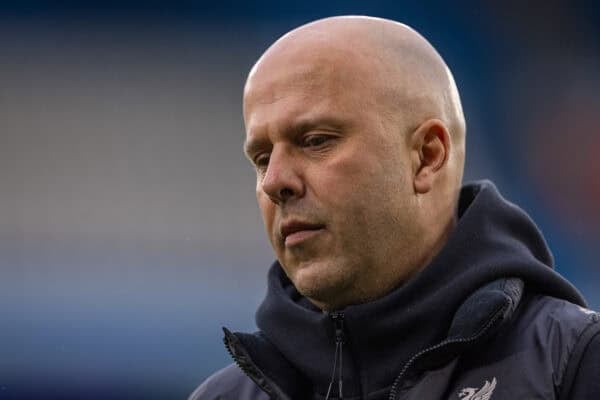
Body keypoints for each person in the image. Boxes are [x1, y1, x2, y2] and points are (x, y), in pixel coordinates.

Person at [190, 16, 600, 399]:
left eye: (316, 140)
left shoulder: (574, 366)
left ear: (426, 156)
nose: (275, 181)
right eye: (262, 158)